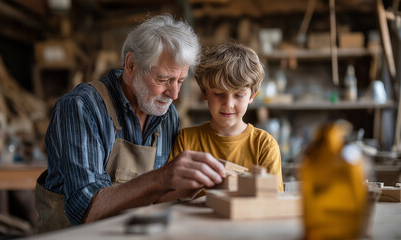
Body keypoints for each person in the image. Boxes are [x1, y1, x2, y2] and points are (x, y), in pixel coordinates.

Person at [34, 14, 226, 233]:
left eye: (180, 81)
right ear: (131, 65)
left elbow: (156, 200)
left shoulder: (167, 115)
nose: (174, 93)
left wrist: (188, 187)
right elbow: (85, 210)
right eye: (163, 80)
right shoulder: (82, 107)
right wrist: (163, 178)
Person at [168, 42, 284, 194]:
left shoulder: (264, 145)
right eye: (218, 93)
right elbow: (169, 196)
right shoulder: (186, 140)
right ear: (204, 93)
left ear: (252, 96)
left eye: (239, 95)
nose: (228, 104)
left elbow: (273, 201)